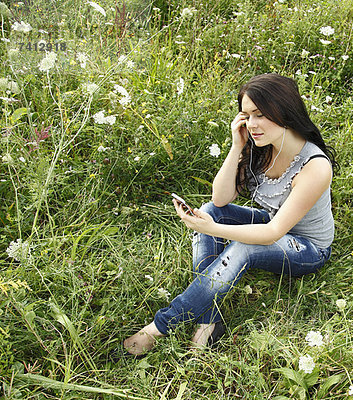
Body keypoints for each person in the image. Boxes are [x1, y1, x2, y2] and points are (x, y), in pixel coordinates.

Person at [121, 73, 337, 356]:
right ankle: (209, 321)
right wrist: (237, 145)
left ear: (284, 111)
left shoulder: (315, 166)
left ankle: (157, 328)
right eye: (246, 115)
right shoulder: (260, 146)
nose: (252, 124)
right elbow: (220, 198)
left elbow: (273, 233)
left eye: (260, 115)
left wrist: (213, 230)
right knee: (212, 211)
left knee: (245, 243)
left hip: (307, 248)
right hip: (273, 222)